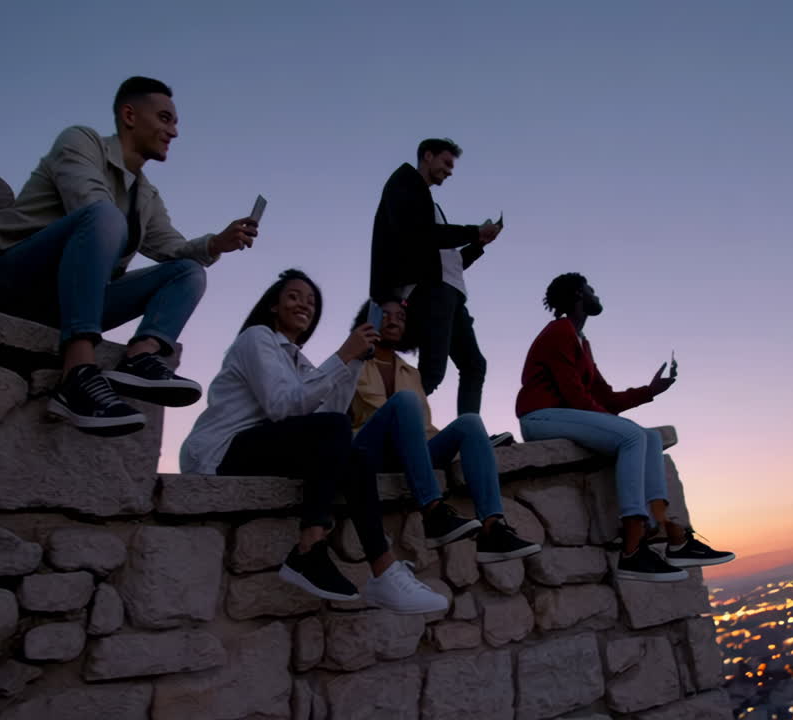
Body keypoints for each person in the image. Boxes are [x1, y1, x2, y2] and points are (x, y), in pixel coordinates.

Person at [0, 76, 259, 436]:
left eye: (176, 122)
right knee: (104, 216)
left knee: (189, 271)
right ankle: (78, 374)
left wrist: (216, 243)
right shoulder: (81, 142)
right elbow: (90, 207)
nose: (174, 132)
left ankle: (141, 356)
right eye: (165, 119)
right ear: (129, 115)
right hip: (6, 279)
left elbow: (172, 248)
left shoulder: (146, 195)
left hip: (64, 303)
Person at [180, 270, 447, 614]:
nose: (304, 305)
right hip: (221, 451)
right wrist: (341, 356)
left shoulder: (300, 363)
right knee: (335, 430)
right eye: (294, 296)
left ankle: (384, 571)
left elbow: (329, 416)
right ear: (274, 306)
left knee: (357, 454)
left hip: (266, 450)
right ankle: (309, 548)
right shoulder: (257, 338)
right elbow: (283, 407)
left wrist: (352, 364)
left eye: (311, 302)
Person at [515, 273, 736, 582]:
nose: (596, 293)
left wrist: (651, 390)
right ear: (579, 294)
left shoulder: (581, 342)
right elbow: (575, 397)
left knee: (650, 437)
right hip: (540, 417)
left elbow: (603, 397)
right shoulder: (558, 333)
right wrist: (618, 424)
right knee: (632, 435)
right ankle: (633, 544)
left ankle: (674, 536)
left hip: (563, 413)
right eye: (591, 289)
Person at [349, 299, 542, 563]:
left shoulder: (411, 373)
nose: (393, 320)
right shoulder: (351, 361)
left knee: (471, 422)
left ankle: (492, 530)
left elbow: (425, 429)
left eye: (401, 317)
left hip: (412, 451)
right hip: (372, 451)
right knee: (406, 401)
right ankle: (433, 514)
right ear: (369, 318)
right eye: (385, 315)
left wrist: (478, 448)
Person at [369, 138, 503, 418]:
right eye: (446, 163)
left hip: (450, 292)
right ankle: (383, 421)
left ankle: (469, 432)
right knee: (433, 371)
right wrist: (473, 230)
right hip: (432, 292)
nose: (450, 171)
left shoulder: (431, 204)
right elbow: (421, 236)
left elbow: (448, 262)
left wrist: (478, 244)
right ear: (427, 156)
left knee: (474, 365)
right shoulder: (405, 183)